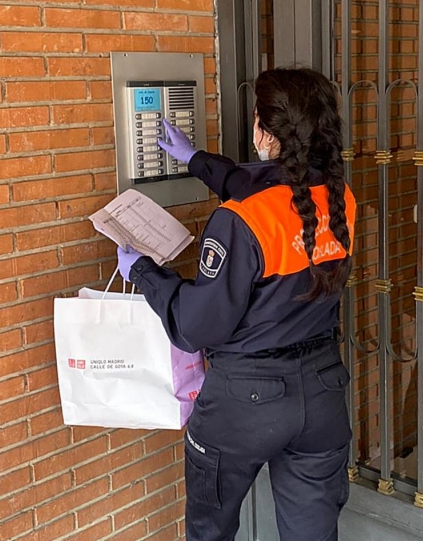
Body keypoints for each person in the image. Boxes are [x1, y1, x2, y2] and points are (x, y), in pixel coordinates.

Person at [116, 67, 357, 541]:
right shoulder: (338, 199)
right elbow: (268, 194)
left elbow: (195, 326)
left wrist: (142, 272)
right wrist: (196, 159)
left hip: (243, 402)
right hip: (324, 391)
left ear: (264, 131)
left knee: (211, 532)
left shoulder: (238, 220)